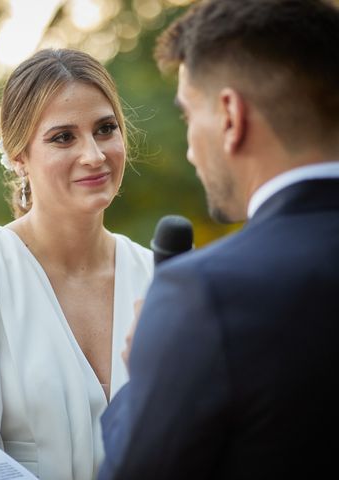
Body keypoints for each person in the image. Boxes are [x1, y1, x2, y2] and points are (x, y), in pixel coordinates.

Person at [99, 0, 339, 478]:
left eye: (189, 116)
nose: (189, 149)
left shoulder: (203, 295)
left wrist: (146, 372)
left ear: (230, 115)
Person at [0, 48, 153, 479]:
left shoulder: (158, 277)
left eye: (105, 129)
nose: (94, 155)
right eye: (64, 137)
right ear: (19, 155)